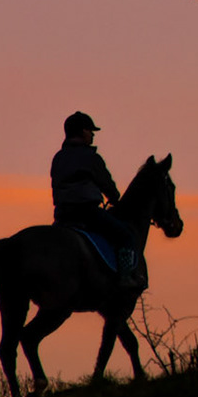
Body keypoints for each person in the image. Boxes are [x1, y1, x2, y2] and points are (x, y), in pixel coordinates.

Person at [51, 111, 141, 286]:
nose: (92, 134)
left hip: (62, 214)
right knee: (126, 236)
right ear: (82, 132)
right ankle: (125, 277)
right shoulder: (91, 158)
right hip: (87, 212)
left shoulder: (59, 157)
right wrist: (115, 199)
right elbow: (107, 185)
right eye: (90, 130)